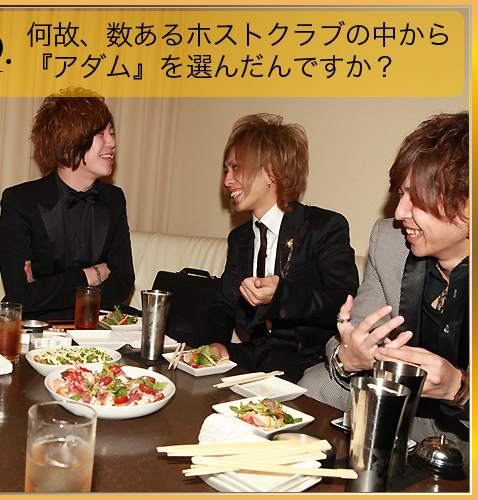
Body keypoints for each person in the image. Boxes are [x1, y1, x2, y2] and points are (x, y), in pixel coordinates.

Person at [299, 112, 469, 452]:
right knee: (316, 383)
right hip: (394, 402)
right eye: (402, 193)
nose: (401, 212)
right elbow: (351, 334)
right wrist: (348, 357)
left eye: (417, 198)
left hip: (465, 429)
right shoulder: (390, 243)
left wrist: (460, 389)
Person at [201, 114, 358, 382]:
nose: (227, 180)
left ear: (272, 171)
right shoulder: (239, 238)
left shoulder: (324, 227)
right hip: (257, 356)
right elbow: (224, 305)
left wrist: (282, 295)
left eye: (236, 168)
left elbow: (344, 302)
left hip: (309, 363)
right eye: (226, 170)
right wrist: (216, 344)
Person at [0, 88, 135, 320]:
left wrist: (47, 289)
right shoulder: (20, 201)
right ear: (68, 142)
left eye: (111, 133)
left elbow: (122, 284)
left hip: (94, 326)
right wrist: (93, 274)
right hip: (36, 328)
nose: (112, 142)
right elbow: (21, 296)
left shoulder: (114, 199)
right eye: (100, 134)